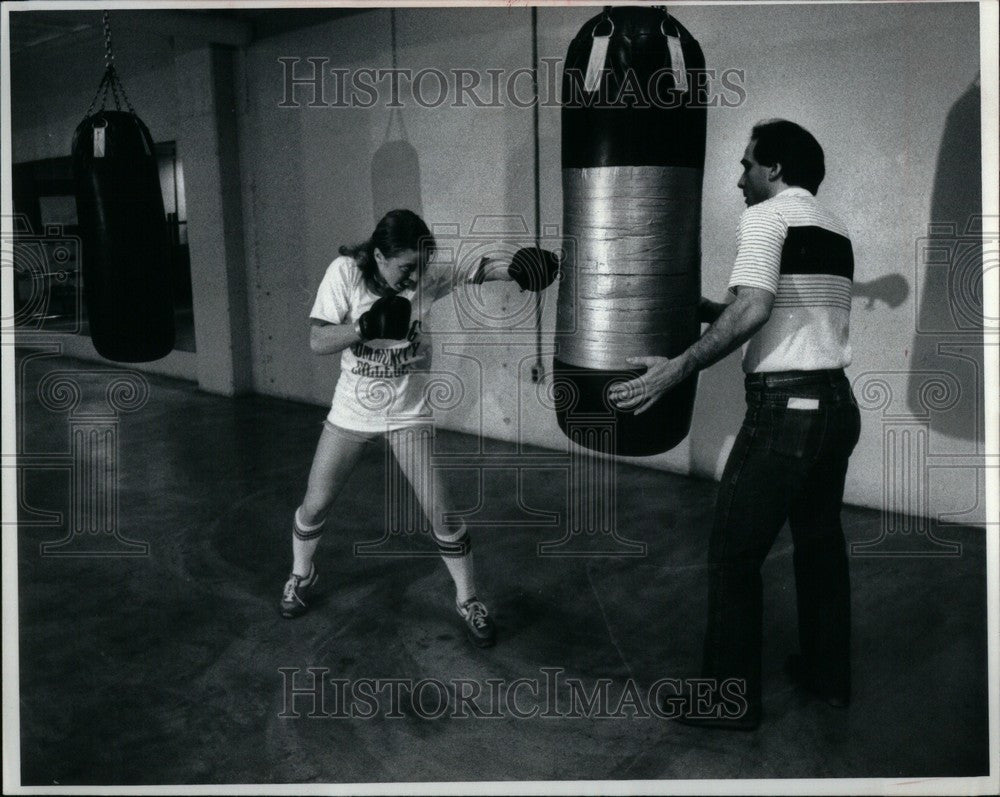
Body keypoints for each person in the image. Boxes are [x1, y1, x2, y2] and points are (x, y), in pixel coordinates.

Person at [611, 120, 860, 728]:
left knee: (732, 554)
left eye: (747, 164)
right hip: (835, 409)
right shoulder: (833, 225)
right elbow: (778, 309)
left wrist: (675, 369)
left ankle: (727, 700)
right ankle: (829, 677)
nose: (739, 178)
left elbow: (755, 307)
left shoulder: (767, 218)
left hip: (786, 415)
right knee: (820, 546)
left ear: (774, 169)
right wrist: (688, 306)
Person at [280, 208, 559, 649]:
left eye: (420, 267)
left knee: (441, 513)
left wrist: (519, 269)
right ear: (378, 256)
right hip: (352, 410)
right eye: (405, 267)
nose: (414, 278)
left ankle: (468, 599)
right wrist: (363, 327)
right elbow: (317, 340)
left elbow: (476, 269)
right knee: (314, 505)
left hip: (407, 412)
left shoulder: (422, 275)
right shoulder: (346, 275)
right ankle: (301, 573)